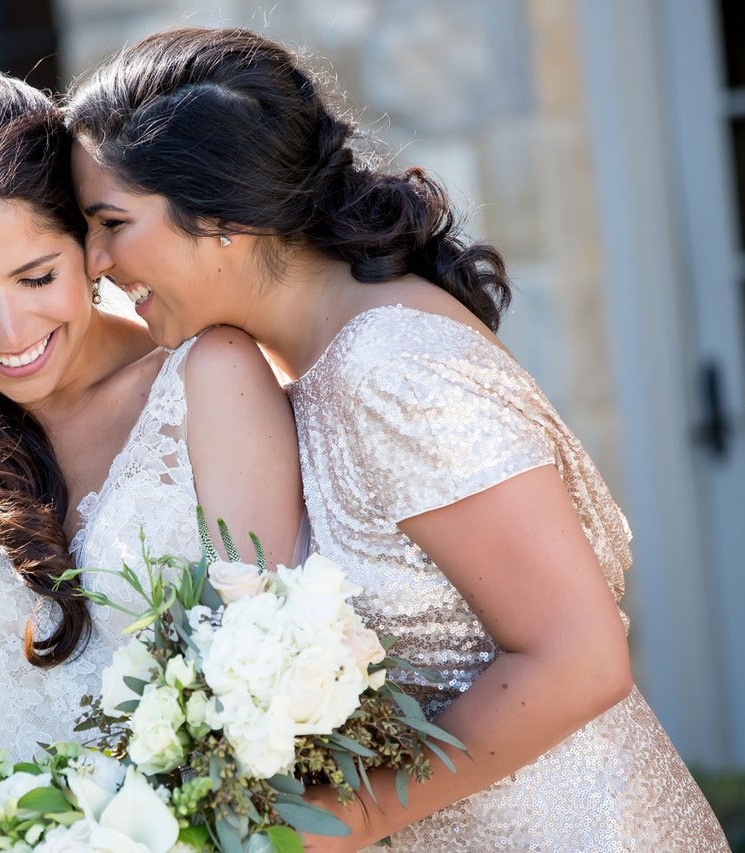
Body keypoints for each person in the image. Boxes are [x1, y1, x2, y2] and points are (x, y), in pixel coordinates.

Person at [66, 26, 728, 852]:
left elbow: (581, 656)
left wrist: (348, 820)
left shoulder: (388, 368)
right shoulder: (307, 365)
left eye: (110, 222)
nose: (93, 261)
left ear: (219, 213)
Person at [0, 70, 305, 841]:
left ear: (90, 247)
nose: (10, 327)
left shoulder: (209, 380)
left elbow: (271, 678)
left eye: (37, 277)